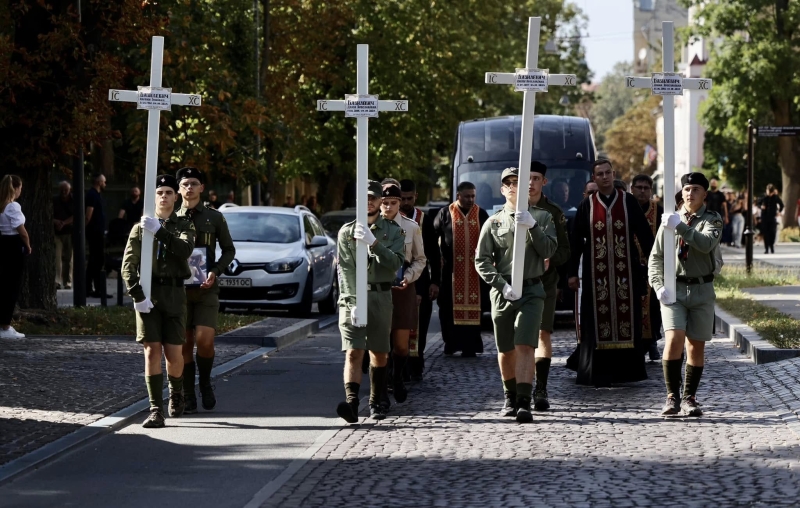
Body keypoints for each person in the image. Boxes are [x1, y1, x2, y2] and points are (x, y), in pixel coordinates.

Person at [475, 166, 557, 423]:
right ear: (502, 189)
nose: (514, 187)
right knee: (506, 348)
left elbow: (549, 249)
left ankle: (524, 400)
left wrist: (532, 226)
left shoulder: (542, 217)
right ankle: (509, 395)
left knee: (525, 344)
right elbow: (482, 260)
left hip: (532, 289)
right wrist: (501, 285)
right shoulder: (493, 221)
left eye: (518, 182)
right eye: (508, 183)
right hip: (503, 291)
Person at [567, 159, 654, 387]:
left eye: (608, 173)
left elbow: (645, 235)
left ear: (613, 174)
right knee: (595, 321)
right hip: (596, 276)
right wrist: (571, 273)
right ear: (594, 177)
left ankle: (628, 372)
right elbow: (575, 241)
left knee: (628, 318)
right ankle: (596, 372)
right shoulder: (586, 205)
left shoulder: (628, 202)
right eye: (599, 174)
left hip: (627, 273)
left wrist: (656, 265)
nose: (604, 177)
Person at [121, 174, 196, 428]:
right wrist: (136, 295)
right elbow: (128, 265)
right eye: (159, 192)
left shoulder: (184, 225)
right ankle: (155, 408)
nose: (163, 196)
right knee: (151, 350)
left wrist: (160, 231)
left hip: (174, 295)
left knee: (174, 353)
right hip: (148, 295)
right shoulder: (140, 228)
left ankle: (176, 393)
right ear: (153, 197)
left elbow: (185, 250)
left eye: (168, 192)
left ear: (176, 197)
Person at [649, 172, 722, 417]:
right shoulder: (670, 220)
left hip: (702, 289)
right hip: (674, 289)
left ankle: (689, 397)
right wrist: (658, 286)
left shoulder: (712, 220)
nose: (690, 194)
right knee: (674, 339)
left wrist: (679, 226)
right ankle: (671, 396)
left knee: (695, 346)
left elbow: (704, 244)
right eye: (687, 189)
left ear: (705, 194)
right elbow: (655, 258)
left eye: (696, 189)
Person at [335, 181, 405, 423]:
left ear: (379, 201)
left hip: (380, 295)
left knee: (379, 352)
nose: (369, 202)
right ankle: (352, 403)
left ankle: (376, 400)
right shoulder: (346, 231)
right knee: (354, 351)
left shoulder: (394, 231)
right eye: (364, 198)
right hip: (353, 297)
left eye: (373, 198)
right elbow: (345, 270)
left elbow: (396, 264)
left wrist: (374, 243)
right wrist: (352, 301)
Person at [175, 167, 236, 414]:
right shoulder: (170, 218)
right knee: (185, 343)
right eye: (185, 184)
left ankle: (205, 382)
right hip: (178, 291)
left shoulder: (214, 217)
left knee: (204, 339)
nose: (189, 188)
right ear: (179, 189)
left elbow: (229, 250)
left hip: (206, 289)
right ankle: (188, 394)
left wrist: (216, 270)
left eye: (194, 183)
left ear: (202, 188)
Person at [526, 162, 570, 411]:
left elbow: (566, 250)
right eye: (527, 178)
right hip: (516, 283)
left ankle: (540, 388)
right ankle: (516, 390)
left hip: (544, 283)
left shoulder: (553, 212)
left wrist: (550, 259)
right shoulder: (511, 209)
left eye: (536, 178)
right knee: (518, 340)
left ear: (544, 182)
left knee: (543, 334)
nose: (531, 183)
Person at [381, 183, 426, 403]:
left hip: (403, 288)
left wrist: (409, 277)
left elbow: (420, 258)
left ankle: (397, 376)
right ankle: (382, 385)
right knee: (381, 341)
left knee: (400, 344)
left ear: (400, 203)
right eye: (385, 202)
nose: (388, 207)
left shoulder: (410, 227)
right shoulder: (372, 227)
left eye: (393, 203)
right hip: (379, 289)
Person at [433, 182, 490, 356]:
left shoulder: (481, 214)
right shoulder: (445, 213)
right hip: (451, 272)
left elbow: (490, 239)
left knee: (476, 308)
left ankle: (470, 347)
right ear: (458, 196)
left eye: (473, 196)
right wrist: (438, 258)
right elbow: (432, 237)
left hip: (475, 272)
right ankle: (451, 343)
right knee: (448, 308)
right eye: (467, 196)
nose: (470, 199)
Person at [398, 179, 439, 381]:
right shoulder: (391, 219)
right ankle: (400, 367)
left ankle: (416, 365)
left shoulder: (424, 219)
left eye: (409, 198)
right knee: (400, 326)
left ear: (415, 196)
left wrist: (435, 282)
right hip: (398, 279)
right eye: (402, 198)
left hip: (421, 280)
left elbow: (434, 253)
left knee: (420, 326)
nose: (405, 202)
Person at [631, 174, 664, 362]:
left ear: (650, 190)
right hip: (629, 265)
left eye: (646, 188)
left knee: (653, 307)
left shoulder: (658, 211)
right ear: (632, 189)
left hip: (653, 266)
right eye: (639, 187)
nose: (642, 191)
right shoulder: (626, 208)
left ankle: (652, 340)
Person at [0, 175, 31, 339]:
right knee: (12, 285)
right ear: (16, 188)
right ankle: (5, 325)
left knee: (4, 284)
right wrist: (28, 244)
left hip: (3, 242)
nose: (21, 190)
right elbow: (22, 230)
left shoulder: (1, 206)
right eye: (20, 187)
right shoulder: (13, 206)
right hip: (13, 245)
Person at [85, 174, 110, 298]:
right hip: (94, 232)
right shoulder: (92, 195)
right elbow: (88, 214)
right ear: (99, 182)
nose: (105, 184)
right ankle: (97, 289)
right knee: (97, 260)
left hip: (97, 231)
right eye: (104, 182)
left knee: (94, 260)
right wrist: (85, 228)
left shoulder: (96, 195)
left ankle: (92, 288)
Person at [53, 181, 74, 289]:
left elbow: (76, 215)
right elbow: (49, 214)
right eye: (62, 190)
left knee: (69, 258)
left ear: (70, 190)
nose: (64, 192)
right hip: (56, 233)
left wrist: (64, 223)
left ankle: (68, 281)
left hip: (69, 232)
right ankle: (57, 280)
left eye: (66, 190)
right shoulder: (55, 200)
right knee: (57, 258)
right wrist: (56, 222)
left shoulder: (74, 200)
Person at [760, 184, 784, 254]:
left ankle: (772, 246)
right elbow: (758, 203)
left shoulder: (776, 197)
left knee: (772, 233)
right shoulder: (764, 197)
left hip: (772, 217)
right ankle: (766, 248)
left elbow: (782, 205)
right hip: (764, 217)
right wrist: (761, 206)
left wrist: (779, 212)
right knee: (765, 233)